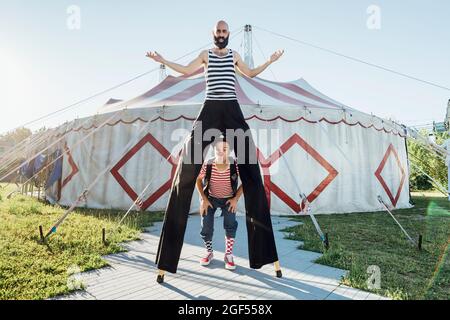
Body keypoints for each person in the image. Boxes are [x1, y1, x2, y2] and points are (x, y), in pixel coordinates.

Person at [146, 20, 284, 278]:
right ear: (213, 35)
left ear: (228, 34)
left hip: (232, 109)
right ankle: (166, 261)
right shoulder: (205, 55)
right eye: (218, 31)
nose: (221, 34)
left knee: (252, 173)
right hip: (210, 109)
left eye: (224, 31)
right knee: (185, 172)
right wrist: (163, 60)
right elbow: (186, 70)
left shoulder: (234, 55)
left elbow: (250, 74)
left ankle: (267, 255)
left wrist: (270, 62)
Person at [196, 137, 243, 270]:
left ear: (229, 151)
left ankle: (228, 255)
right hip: (210, 198)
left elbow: (246, 182)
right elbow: (198, 180)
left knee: (230, 223)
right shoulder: (208, 163)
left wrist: (235, 199)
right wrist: (203, 200)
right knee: (206, 224)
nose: (220, 151)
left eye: (224, 149)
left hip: (229, 198)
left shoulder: (235, 164)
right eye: (217, 149)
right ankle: (209, 252)